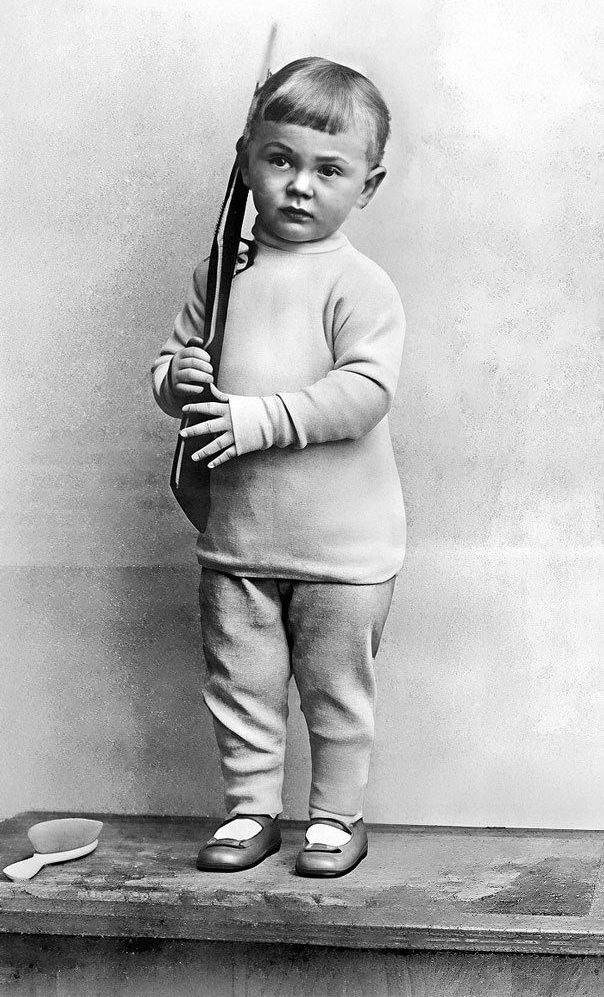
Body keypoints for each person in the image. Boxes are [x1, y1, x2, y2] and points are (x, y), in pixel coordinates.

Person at [152, 57, 406, 877]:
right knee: (242, 686)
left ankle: (335, 819)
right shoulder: (219, 275)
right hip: (238, 537)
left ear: (367, 186)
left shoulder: (359, 285)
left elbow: (363, 394)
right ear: (246, 159)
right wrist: (178, 376)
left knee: (335, 693)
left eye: (329, 170)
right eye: (280, 159)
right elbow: (171, 368)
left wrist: (256, 419)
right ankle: (249, 812)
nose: (299, 185)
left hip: (343, 548)